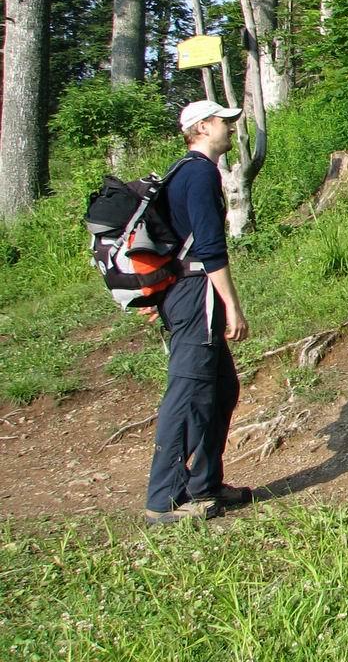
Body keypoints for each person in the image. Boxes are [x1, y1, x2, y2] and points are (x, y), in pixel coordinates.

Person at [144, 99, 253, 525]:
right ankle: (163, 499)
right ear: (203, 127)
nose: (230, 128)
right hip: (196, 296)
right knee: (187, 393)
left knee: (221, 389)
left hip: (185, 293)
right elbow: (210, 250)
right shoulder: (200, 173)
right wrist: (232, 307)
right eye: (224, 122)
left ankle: (204, 484)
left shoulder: (182, 172)